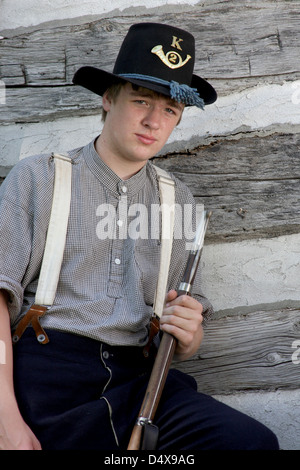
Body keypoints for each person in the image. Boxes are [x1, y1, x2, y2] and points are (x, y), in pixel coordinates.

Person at [0, 23, 279, 450]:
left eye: (169, 110)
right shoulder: (38, 177)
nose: (153, 120)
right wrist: (7, 422)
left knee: (247, 443)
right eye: (141, 101)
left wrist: (189, 334)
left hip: (140, 382)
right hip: (48, 379)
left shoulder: (179, 202)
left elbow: (183, 329)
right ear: (108, 99)